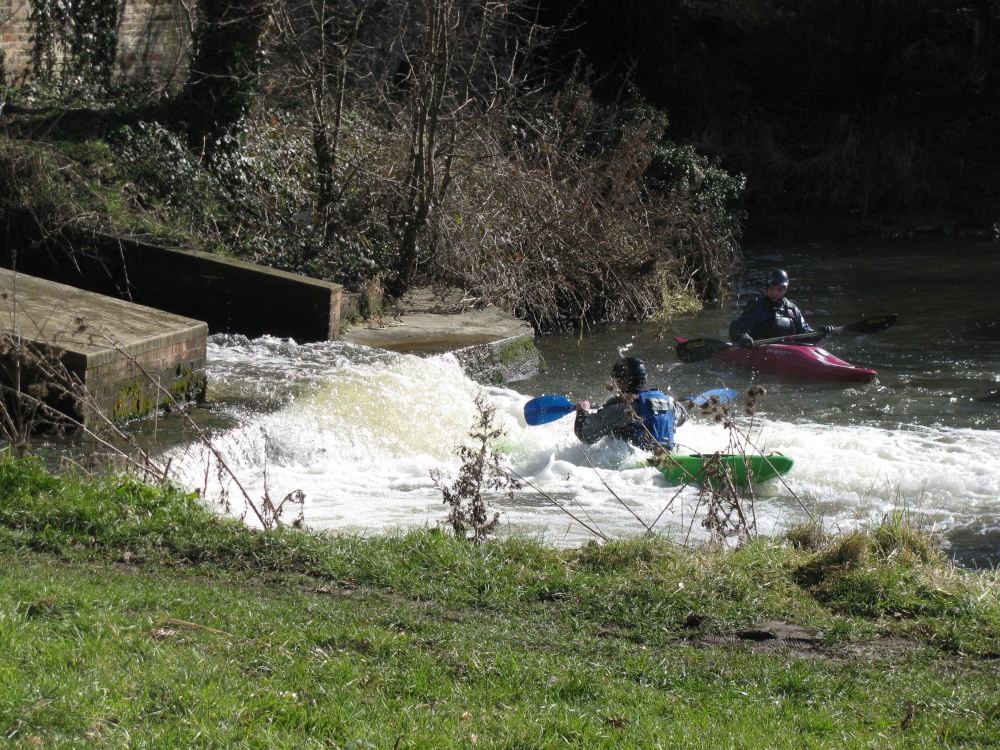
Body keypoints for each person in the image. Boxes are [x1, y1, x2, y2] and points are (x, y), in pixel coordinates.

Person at [574, 356, 688, 450]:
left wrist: (582, 412)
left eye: (616, 381)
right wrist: (672, 401)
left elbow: (586, 435)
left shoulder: (622, 407)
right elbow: (683, 418)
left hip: (629, 464)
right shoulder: (668, 402)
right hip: (662, 456)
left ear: (622, 382)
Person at [729, 268, 833, 348]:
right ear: (767, 288)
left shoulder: (791, 309)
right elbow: (736, 328)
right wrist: (742, 336)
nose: (775, 293)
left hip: (787, 352)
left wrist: (819, 333)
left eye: (779, 289)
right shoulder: (757, 306)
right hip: (759, 349)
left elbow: (806, 334)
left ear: (785, 290)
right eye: (772, 288)